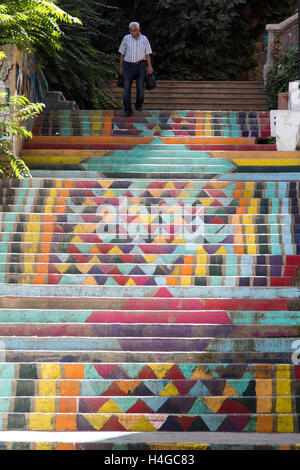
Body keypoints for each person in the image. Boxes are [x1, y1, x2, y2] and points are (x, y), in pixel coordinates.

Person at [118, 22, 153, 117]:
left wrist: (149, 66)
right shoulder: (126, 38)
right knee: (126, 90)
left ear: (138, 30)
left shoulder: (144, 39)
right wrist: (120, 67)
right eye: (131, 30)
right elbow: (122, 54)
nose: (132, 32)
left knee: (141, 89)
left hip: (140, 66)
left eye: (134, 30)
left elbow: (147, 54)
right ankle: (127, 110)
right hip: (128, 66)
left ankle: (138, 105)